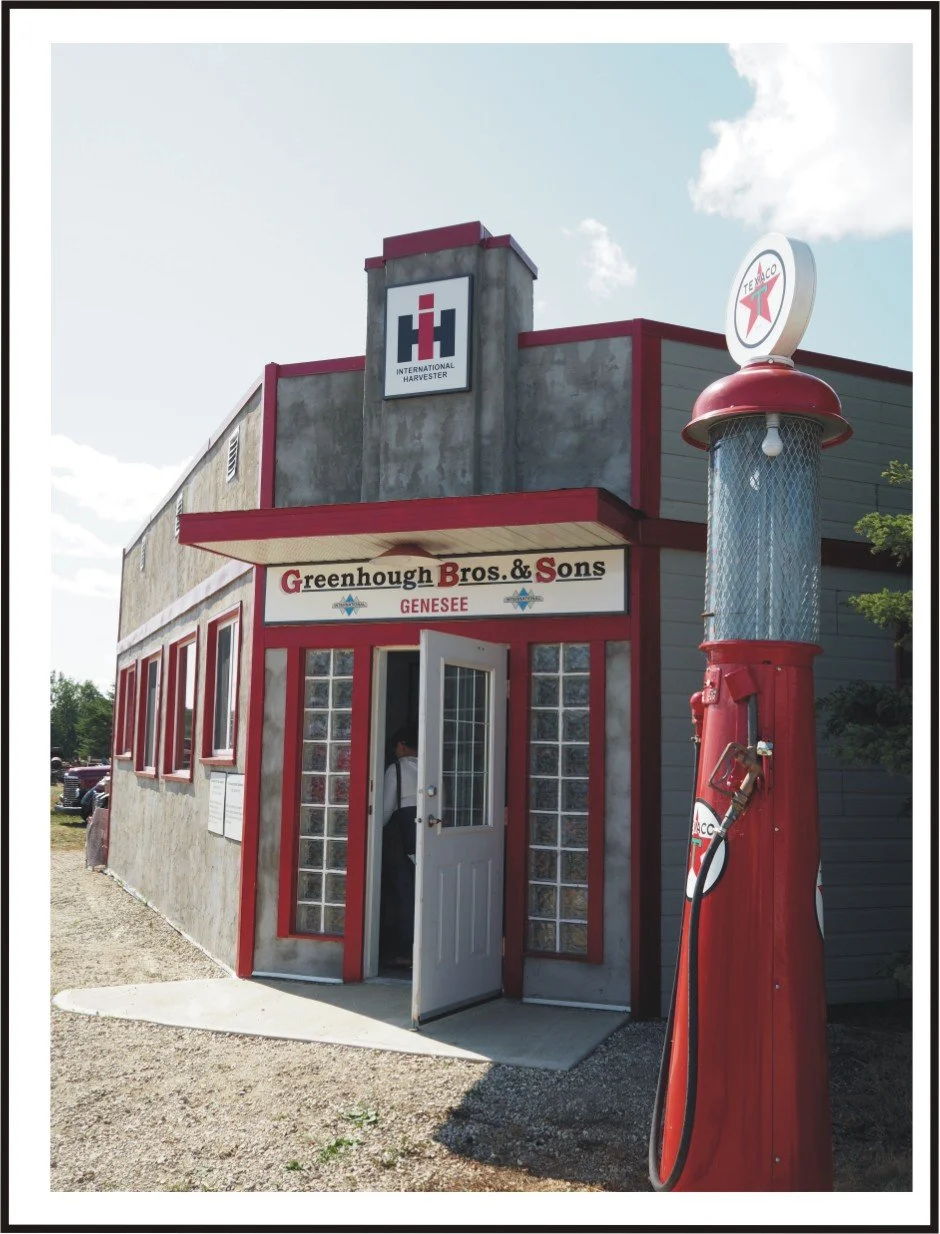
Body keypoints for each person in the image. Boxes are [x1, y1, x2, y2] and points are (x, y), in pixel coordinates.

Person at [380, 726, 418, 968]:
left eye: (395, 748)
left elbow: (384, 809)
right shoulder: (434, 766)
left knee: (405, 895)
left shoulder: (397, 770)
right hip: (430, 838)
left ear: (401, 745)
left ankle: (406, 951)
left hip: (404, 841)